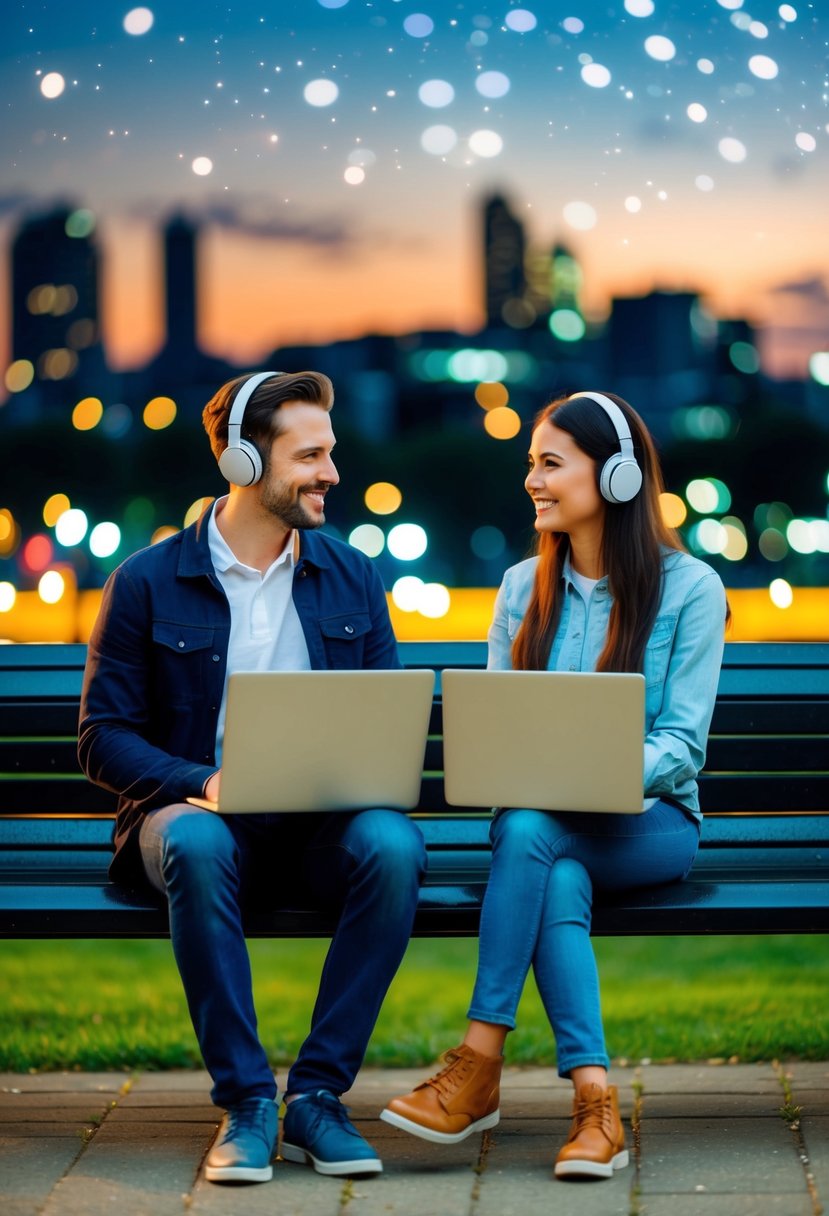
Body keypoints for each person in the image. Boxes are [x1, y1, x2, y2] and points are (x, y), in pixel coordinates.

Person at [78, 370, 427, 1185]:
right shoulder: (145, 581)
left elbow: (382, 722)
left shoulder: (352, 576)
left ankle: (314, 1097)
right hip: (195, 821)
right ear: (241, 461)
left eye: (330, 452)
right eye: (309, 455)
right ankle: (246, 1104)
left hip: (315, 831)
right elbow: (102, 739)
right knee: (197, 841)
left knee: (393, 844)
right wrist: (207, 780)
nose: (331, 473)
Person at [381, 390, 727, 1180]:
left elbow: (679, 746)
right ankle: (594, 1107)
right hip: (546, 834)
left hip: (652, 824)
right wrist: (536, 782)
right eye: (529, 465)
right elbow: (500, 735)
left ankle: (477, 1065)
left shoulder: (689, 589)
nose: (531, 480)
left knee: (535, 832)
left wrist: (585, 778)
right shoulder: (516, 590)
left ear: (614, 478)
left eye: (549, 463)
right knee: (550, 864)